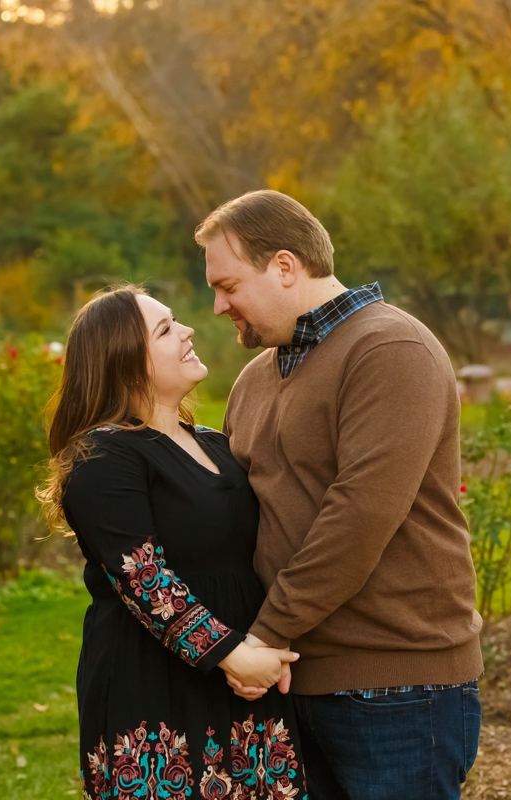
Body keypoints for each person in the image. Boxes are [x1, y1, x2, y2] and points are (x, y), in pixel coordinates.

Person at [199, 190, 484, 800]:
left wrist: (267, 633)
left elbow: (360, 514)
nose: (218, 305)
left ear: (283, 266)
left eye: (228, 285)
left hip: (397, 685)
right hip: (294, 679)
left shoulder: (388, 350)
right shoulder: (256, 378)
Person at [37, 284, 309, 800]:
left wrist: (265, 643)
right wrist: (233, 655)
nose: (186, 330)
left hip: (245, 678)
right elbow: (143, 577)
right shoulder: (103, 456)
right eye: (164, 329)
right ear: (124, 361)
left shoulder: (214, 442)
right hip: (155, 687)